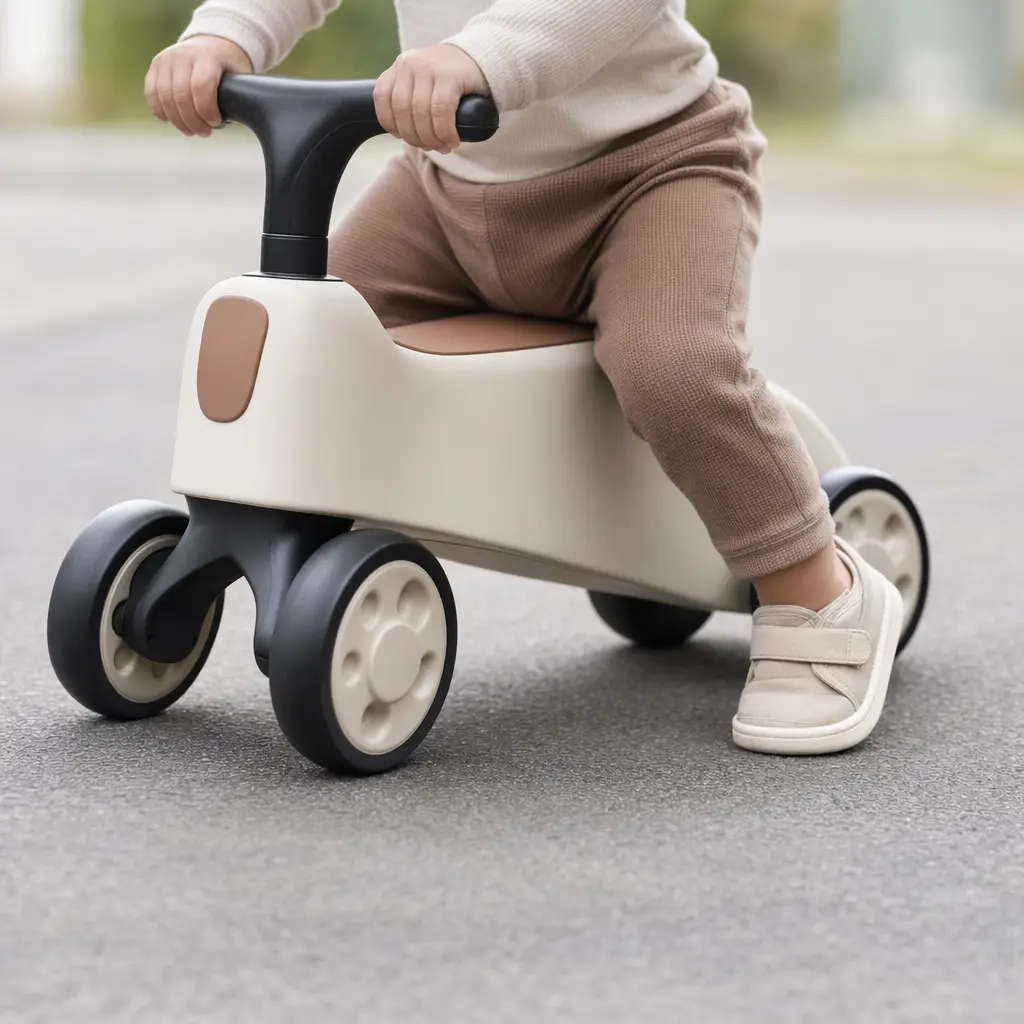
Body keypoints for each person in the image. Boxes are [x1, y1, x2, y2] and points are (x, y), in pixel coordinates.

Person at [146, 0, 904, 756]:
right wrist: (227, 31)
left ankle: (817, 590)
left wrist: (481, 56)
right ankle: (280, 531)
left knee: (672, 365)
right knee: (309, 334)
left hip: (650, 168)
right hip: (450, 187)